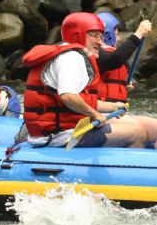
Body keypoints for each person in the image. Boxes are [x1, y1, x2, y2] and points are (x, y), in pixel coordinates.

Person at [22, 12, 147, 148]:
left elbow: (80, 100)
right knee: (138, 133)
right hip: (60, 136)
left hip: (54, 132)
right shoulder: (71, 58)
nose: (100, 42)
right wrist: (95, 114)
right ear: (77, 35)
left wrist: (113, 106)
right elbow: (68, 96)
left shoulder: (67, 53)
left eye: (101, 36)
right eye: (95, 36)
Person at [96, 13, 157, 149]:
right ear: (106, 34)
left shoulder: (111, 57)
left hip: (114, 115)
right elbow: (114, 60)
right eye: (116, 34)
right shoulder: (95, 54)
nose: (118, 39)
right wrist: (138, 34)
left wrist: (122, 87)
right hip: (98, 115)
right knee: (139, 131)